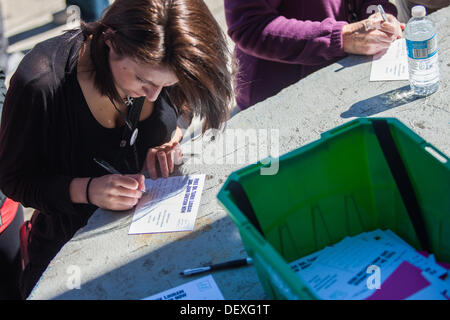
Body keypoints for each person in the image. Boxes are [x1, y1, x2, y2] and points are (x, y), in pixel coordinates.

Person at [0, 0, 233, 299]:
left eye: (166, 84)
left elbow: (184, 103)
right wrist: (85, 190)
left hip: (151, 238)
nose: (154, 93)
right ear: (110, 41)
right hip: (69, 256)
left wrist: (172, 137)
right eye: (142, 79)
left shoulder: (168, 56)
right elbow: (13, 179)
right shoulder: (42, 82)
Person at [225, 0, 405, 111]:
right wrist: (340, 37)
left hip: (346, 78)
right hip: (281, 100)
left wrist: (379, 16)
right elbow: (249, 25)